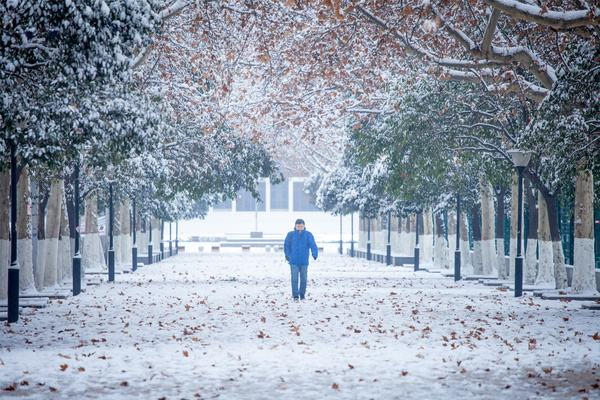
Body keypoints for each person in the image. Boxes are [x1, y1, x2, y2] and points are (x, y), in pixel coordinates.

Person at [284, 218, 318, 300]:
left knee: (304, 278)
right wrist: (287, 255)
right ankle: (295, 295)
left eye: (301, 226)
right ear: (295, 226)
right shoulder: (290, 234)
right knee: (294, 278)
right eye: (298, 226)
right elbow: (286, 245)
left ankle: (302, 294)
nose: (300, 227)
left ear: (304, 226)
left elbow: (313, 245)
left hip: (304, 261)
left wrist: (314, 253)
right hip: (293, 261)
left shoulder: (308, 235)